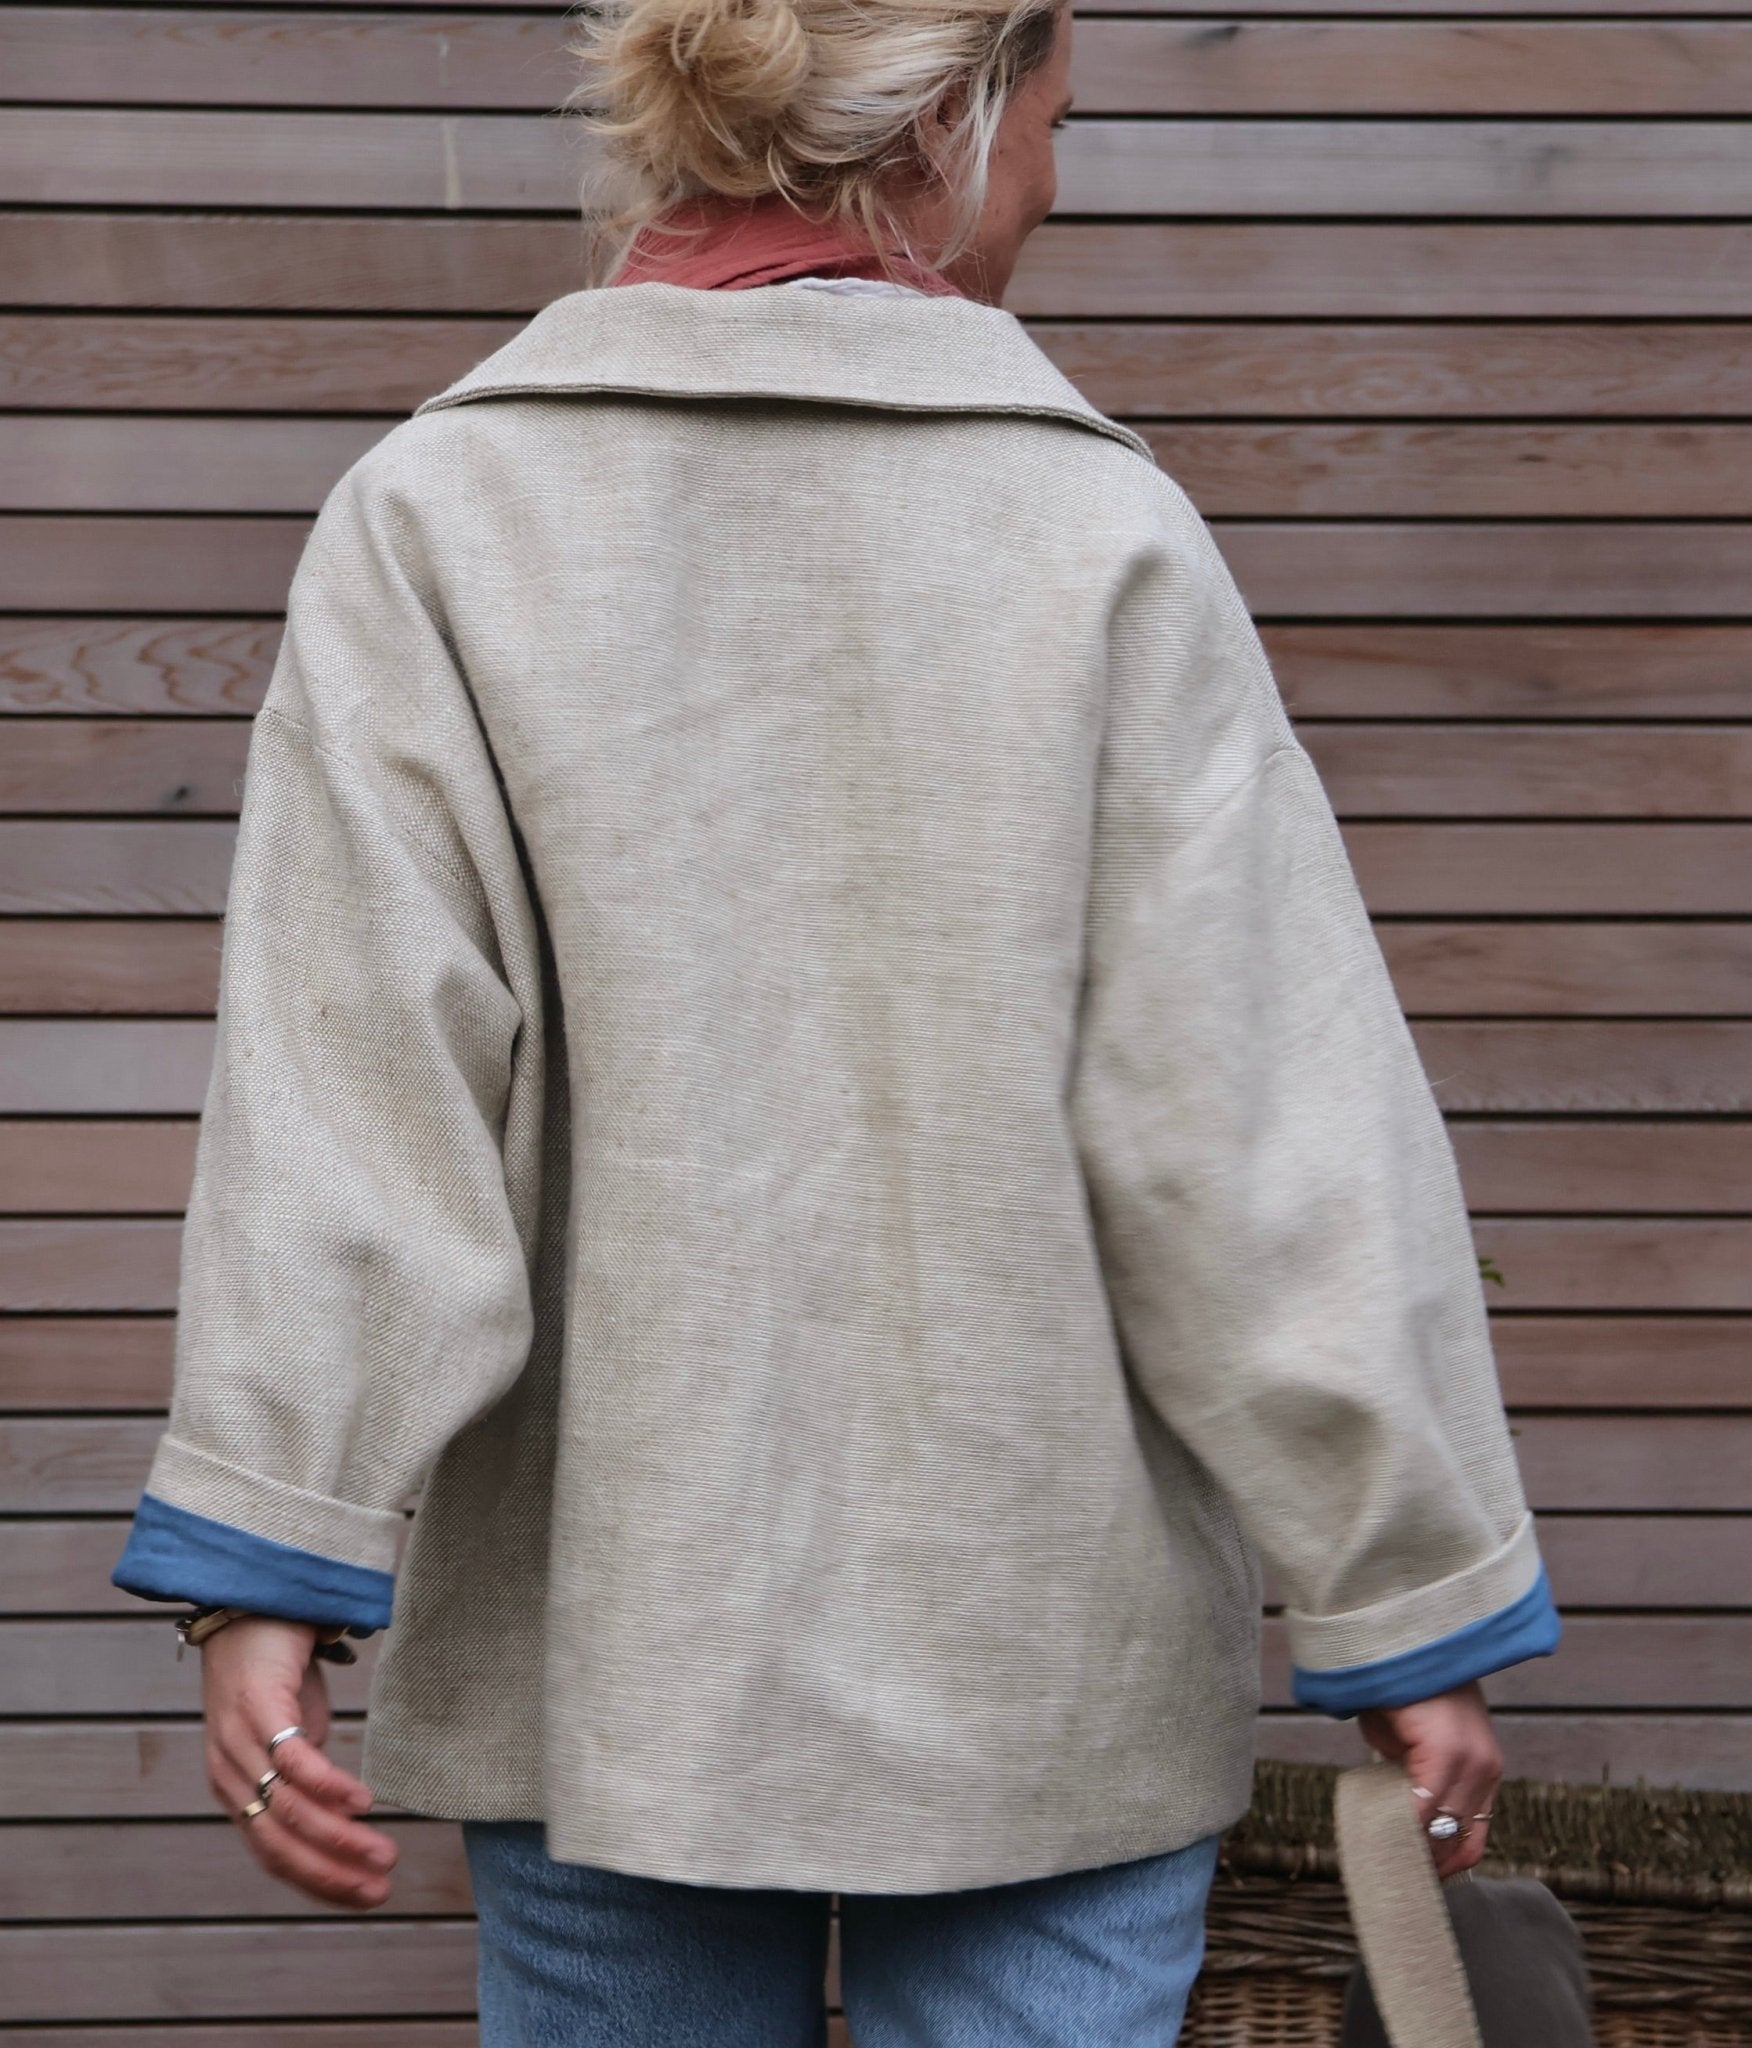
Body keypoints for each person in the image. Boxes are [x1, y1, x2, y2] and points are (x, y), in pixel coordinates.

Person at [111, 0, 1560, 2038]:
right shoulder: (1097, 532)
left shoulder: (443, 513)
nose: (1050, 187)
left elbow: (357, 1080)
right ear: (950, 126)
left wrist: (266, 1550)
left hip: (610, 1654)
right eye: (1057, 126)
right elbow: (1246, 1118)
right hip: (1040, 1656)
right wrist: (1402, 1583)